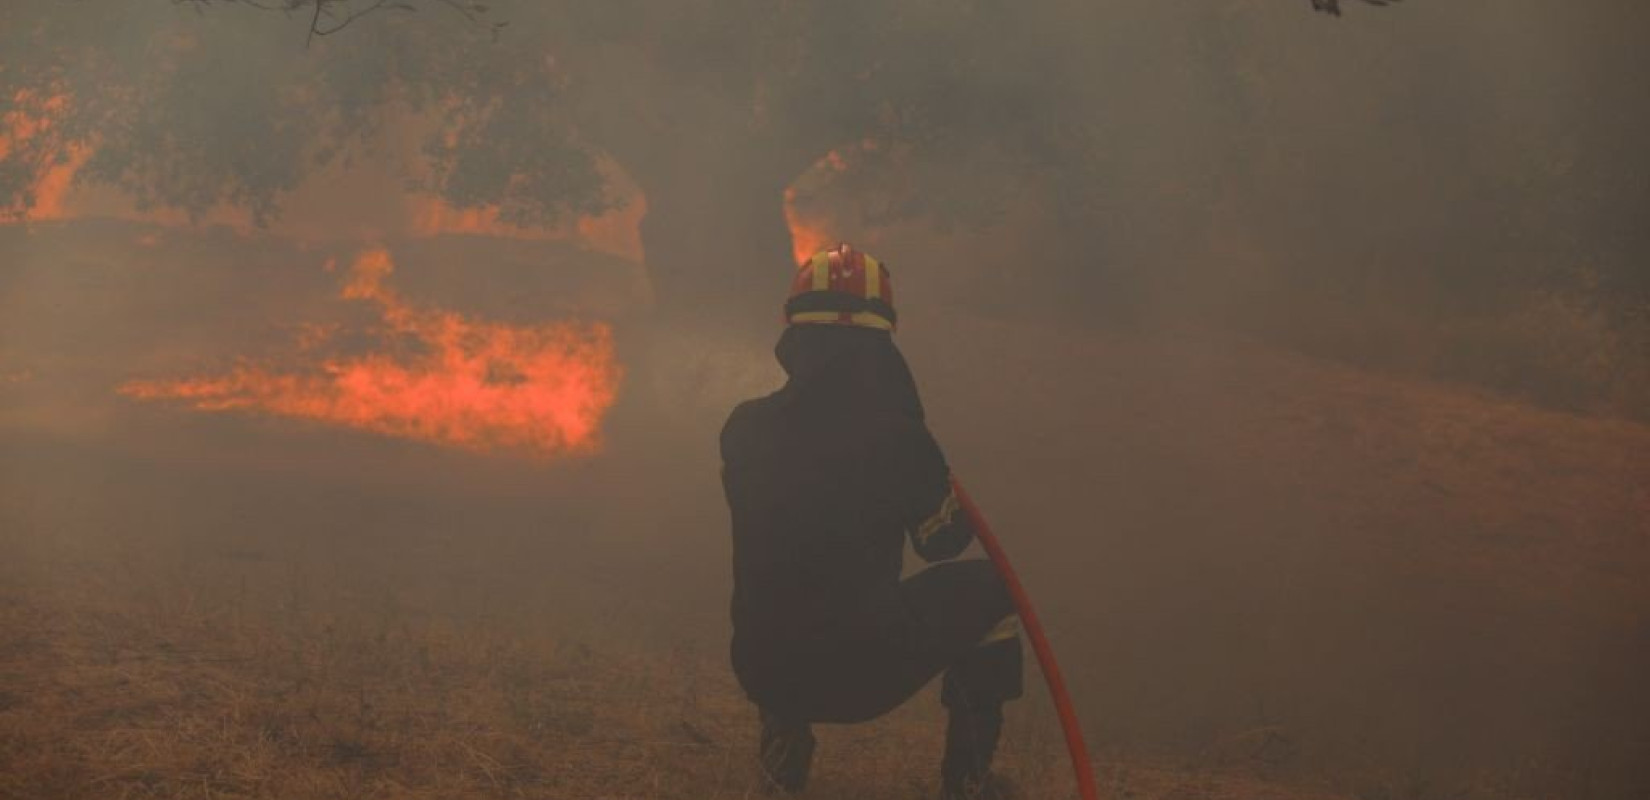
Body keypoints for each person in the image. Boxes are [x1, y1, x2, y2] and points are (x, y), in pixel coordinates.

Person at [719, 243, 1023, 800]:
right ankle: (969, 783)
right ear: (882, 344)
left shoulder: (743, 427)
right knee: (992, 590)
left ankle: (781, 764)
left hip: (762, 667)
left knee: (784, 598)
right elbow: (943, 543)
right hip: (851, 674)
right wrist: (929, 468)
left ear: (794, 336)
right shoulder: (899, 438)